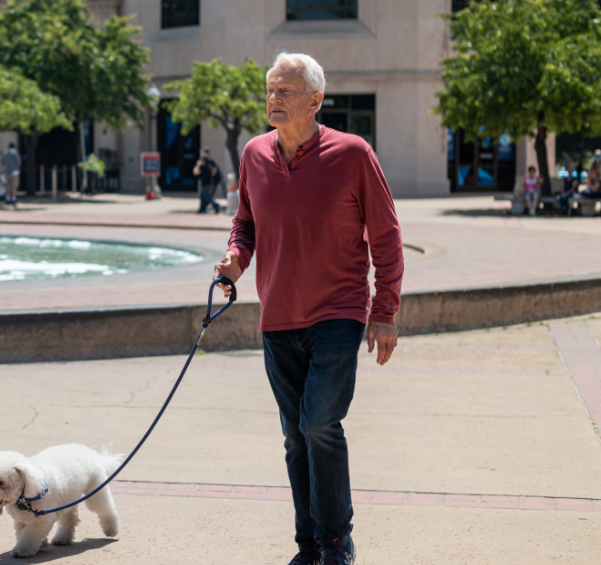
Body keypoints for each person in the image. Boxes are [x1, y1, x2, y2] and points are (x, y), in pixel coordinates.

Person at [214, 52, 402, 565]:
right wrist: (235, 259)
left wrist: (384, 308)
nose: (274, 99)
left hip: (338, 313)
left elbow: (386, 235)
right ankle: (309, 544)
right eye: (271, 90)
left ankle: (336, 540)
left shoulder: (354, 153)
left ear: (315, 101)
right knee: (295, 438)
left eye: (286, 92)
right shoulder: (254, 154)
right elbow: (245, 223)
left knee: (319, 423)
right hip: (277, 317)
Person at [193, 148, 222, 214]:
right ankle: (202, 209)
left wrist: (197, 165)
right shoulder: (203, 163)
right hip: (205, 182)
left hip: (208, 182)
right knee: (202, 195)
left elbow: (195, 172)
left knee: (207, 196)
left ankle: (216, 206)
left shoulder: (206, 163)